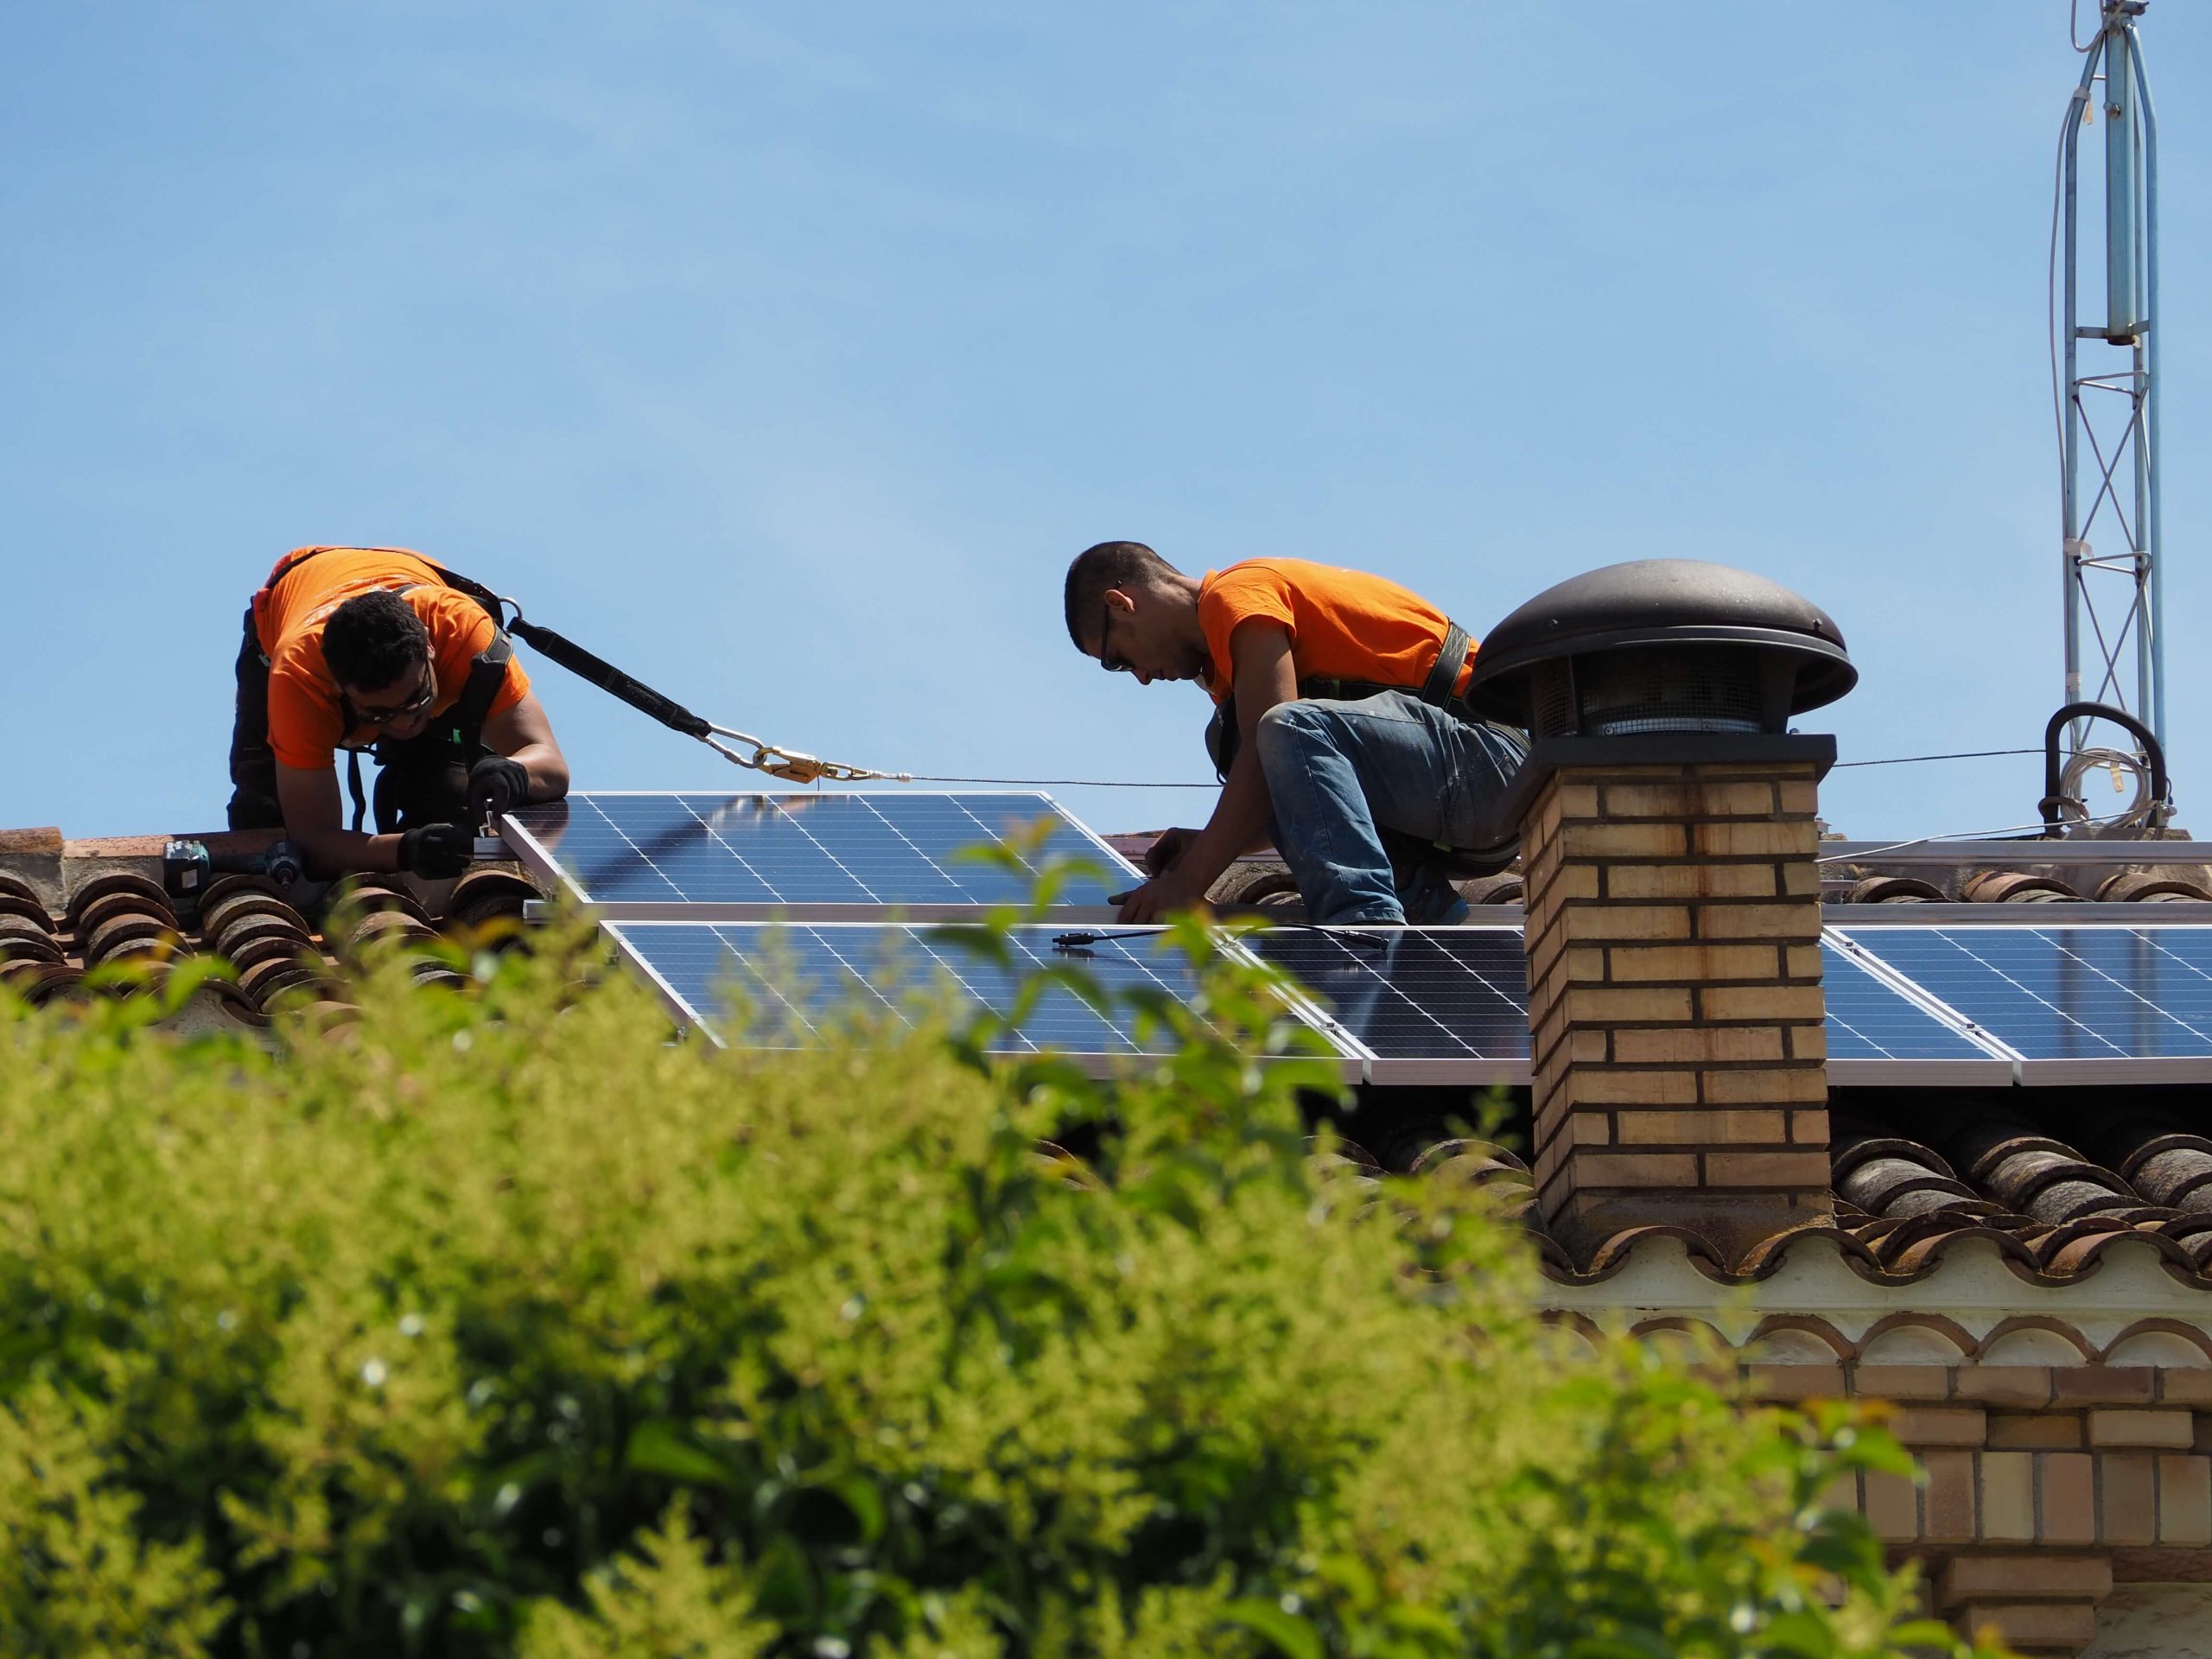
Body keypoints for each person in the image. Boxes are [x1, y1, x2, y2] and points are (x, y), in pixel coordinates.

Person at [1064, 541, 1527, 925]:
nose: (1140, 677)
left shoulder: (1238, 593)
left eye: (1118, 660)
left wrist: (1188, 883)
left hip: (1491, 763)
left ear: (1120, 604)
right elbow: (1298, 783)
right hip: (1445, 797)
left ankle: (1362, 921)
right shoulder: (1228, 674)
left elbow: (1273, 751)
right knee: (1238, 737)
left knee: (1279, 728)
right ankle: (1420, 906)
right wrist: (1210, 843)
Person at [226, 545, 569, 878]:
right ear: (335, 687)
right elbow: (312, 838)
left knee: (451, 807)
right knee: (267, 832)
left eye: (416, 700)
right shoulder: (299, 679)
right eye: (379, 715)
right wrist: (405, 850)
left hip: (403, 573)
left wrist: (513, 773)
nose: (405, 724)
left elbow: (551, 765)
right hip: (291, 598)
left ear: (430, 647)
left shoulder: (465, 635)